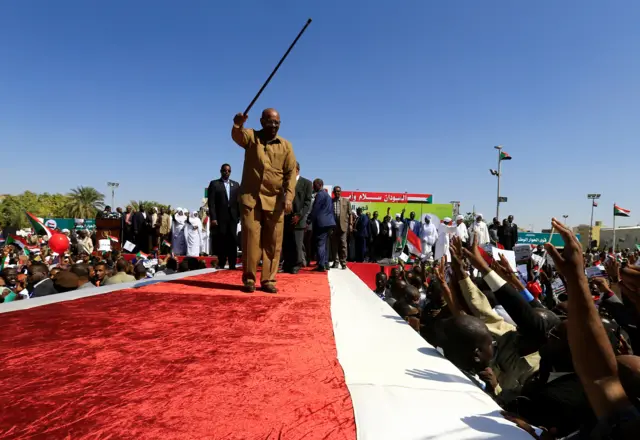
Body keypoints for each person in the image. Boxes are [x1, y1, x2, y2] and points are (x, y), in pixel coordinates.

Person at [232, 108, 296, 293]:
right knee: (251, 240)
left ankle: (268, 280)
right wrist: (238, 123)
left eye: (277, 122)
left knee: (273, 243)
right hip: (251, 199)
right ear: (261, 122)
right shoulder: (252, 137)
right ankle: (249, 279)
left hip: (275, 201)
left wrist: (289, 197)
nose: (274, 125)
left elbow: (290, 173)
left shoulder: (286, 146)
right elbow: (237, 136)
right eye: (270, 122)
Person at [207, 163, 240, 269]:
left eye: (229, 171)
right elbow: (211, 203)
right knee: (222, 239)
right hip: (220, 217)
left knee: (232, 240)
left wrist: (238, 216)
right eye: (225, 170)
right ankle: (221, 262)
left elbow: (238, 202)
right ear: (221, 171)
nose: (227, 172)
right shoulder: (215, 184)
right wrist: (213, 218)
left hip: (233, 217)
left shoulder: (236, 185)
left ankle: (232, 263)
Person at [282, 162, 312, 274]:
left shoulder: (306, 183)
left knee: (297, 244)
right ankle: (287, 264)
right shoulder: (285, 183)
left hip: (298, 219)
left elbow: (307, 202)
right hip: (286, 218)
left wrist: (299, 215)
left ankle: (297, 264)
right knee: (287, 243)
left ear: (297, 170)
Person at [308, 179, 335, 272]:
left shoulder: (320, 195)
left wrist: (309, 219)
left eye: (314, 185)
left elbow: (315, 209)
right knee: (325, 244)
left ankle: (321, 265)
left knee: (320, 244)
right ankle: (325, 263)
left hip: (321, 223)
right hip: (329, 222)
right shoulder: (327, 195)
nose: (313, 187)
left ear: (319, 185)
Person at [330, 186, 351, 269]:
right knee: (334, 245)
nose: (337, 193)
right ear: (333, 192)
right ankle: (335, 262)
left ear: (341, 192)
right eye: (335, 191)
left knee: (343, 245)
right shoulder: (330, 201)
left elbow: (350, 213)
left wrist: (351, 224)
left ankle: (343, 263)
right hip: (333, 226)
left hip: (343, 225)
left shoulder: (346, 201)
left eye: (338, 191)